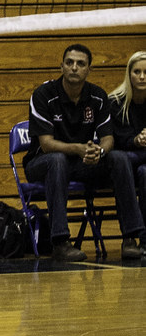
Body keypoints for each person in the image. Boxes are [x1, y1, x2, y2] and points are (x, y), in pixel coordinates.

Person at [24, 44, 145, 261]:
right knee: (57, 160)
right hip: (42, 162)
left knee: (118, 156)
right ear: (61, 66)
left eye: (80, 64)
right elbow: (46, 144)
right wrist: (79, 149)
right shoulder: (43, 95)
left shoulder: (97, 96)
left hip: (81, 163)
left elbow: (108, 139)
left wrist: (98, 151)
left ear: (89, 69)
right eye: (69, 62)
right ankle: (60, 242)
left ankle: (130, 239)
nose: (74, 68)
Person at [109, 50, 146, 224]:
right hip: (124, 161)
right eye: (137, 72)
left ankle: (144, 241)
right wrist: (137, 140)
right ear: (129, 74)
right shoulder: (115, 102)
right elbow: (118, 139)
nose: (142, 77)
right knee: (124, 159)